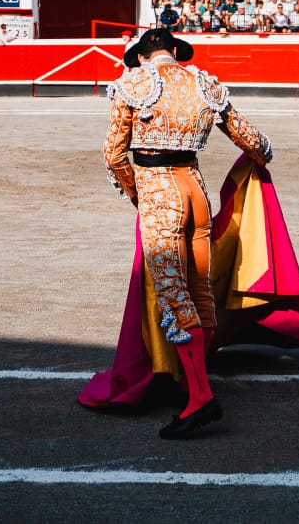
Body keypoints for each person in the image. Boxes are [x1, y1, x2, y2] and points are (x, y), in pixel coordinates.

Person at [98, 27, 273, 439]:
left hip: (159, 191)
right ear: (176, 52)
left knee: (175, 294)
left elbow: (113, 155)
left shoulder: (133, 83)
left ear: (142, 57)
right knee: (200, 290)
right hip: (197, 193)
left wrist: (139, 193)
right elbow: (255, 142)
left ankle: (199, 397)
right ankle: (189, 382)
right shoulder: (205, 83)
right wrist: (259, 158)